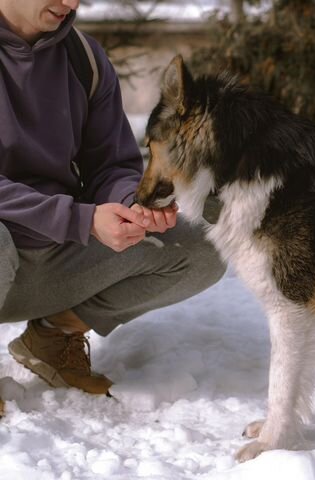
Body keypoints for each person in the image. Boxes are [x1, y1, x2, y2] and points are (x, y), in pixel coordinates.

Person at [0, 0, 226, 412]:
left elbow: (111, 164)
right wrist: (81, 219)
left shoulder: (83, 58)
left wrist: (131, 206)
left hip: (48, 257)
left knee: (202, 245)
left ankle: (53, 337)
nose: (72, 3)